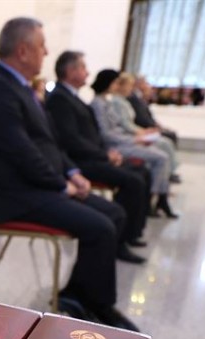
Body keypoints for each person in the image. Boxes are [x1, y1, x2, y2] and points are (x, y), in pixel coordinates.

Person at [0, 17, 138, 331]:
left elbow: (48, 142)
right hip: (17, 194)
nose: (46, 53)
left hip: (37, 185)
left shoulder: (17, 87)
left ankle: (77, 296)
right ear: (23, 51)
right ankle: (97, 304)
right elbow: (21, 152)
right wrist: (61, 185)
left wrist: (72, 172)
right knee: (101, 227)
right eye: (42, 46)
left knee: (114, 214)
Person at [46, 50, 150, 260]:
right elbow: (71, 140)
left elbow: (91, 135)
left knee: (141, 170)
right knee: (133, 181)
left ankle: (130, 233)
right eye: (83, 67)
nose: (87, 72)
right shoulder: (59, 98)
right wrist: (104, 156)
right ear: (70, 71)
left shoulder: (71, 96)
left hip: (92, 156)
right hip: (80, 161)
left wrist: (108, 153)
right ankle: (120, 241)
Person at [90, 69, 177, 218]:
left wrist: (140, 135)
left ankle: (159, 197)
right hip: (116, 145)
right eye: (116, 82)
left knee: (161, 151)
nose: (117, 86)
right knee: (160, 157)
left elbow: (120, 127)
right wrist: (135, 139)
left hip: (123, 140)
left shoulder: (106, 102)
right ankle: (154, 199)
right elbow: (107, 134)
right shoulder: (99, 104)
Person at [113, 72, 180, 183]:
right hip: (129, 136)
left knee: (165, 142)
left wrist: (146, 130)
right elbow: (125, 124)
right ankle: (161, 181)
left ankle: (167, 173)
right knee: (162, 145)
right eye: (129, 85)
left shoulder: (125, 101)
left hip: (135, 133)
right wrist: (142, 131)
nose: (131, 88)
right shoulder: (117, 102)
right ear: (121, 86)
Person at [129, 75, 179, 147]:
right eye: (145, 83)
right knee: (170, 135)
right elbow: (142, 118)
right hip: (145, 128)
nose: (148, 86)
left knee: (170, 133)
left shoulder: (140, 99)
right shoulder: (135, 99)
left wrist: (156, 124)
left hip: (149, 125)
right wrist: (153, 126)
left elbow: (147, 116)